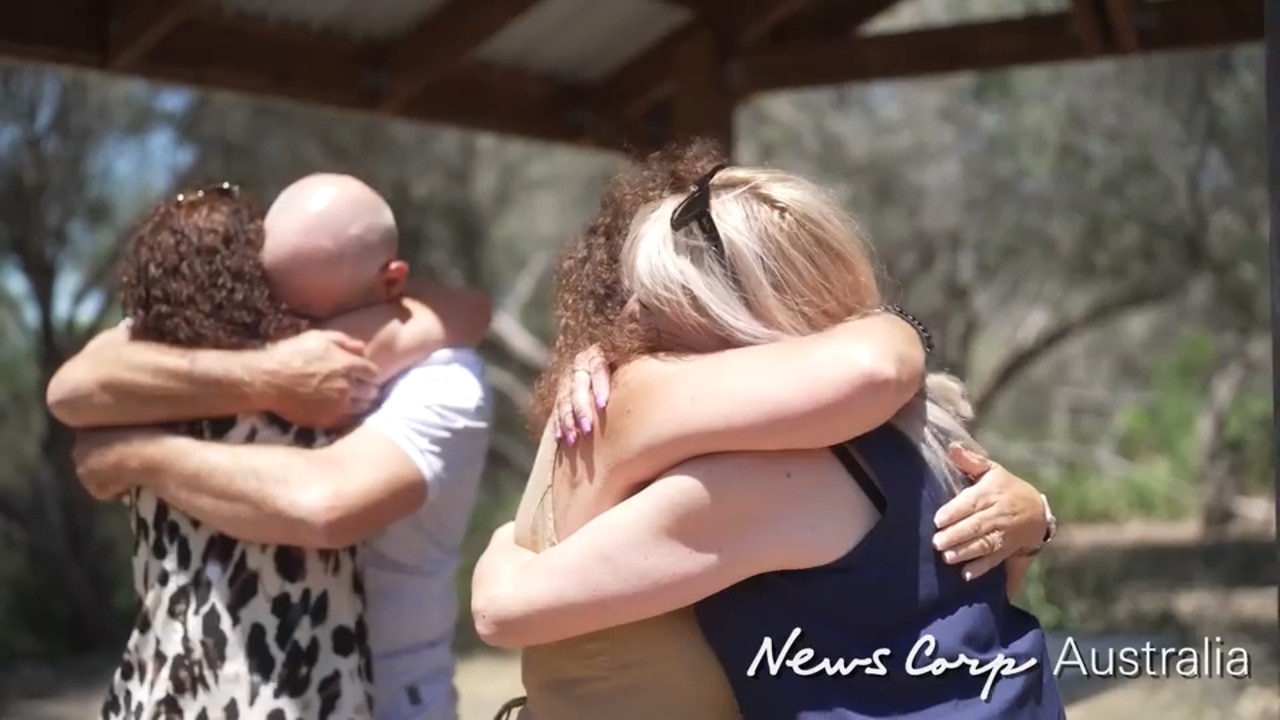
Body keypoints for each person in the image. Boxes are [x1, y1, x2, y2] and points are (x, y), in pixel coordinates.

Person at [461, 142, 1054, 720]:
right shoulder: (928, 422)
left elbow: (505, 611)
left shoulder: (766, 478)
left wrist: (500, 546)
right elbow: (1000, 584)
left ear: (731, 309)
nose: (628, 319)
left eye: (658, 301)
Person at [54, 175, 493, 720]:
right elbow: (72, 389)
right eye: (272, 306)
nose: (286, 334)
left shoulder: (445, 378)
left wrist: (133, 456)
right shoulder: (246, 333)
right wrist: (264, 373)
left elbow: (323, 507)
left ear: (390, 283)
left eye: (311, 321)